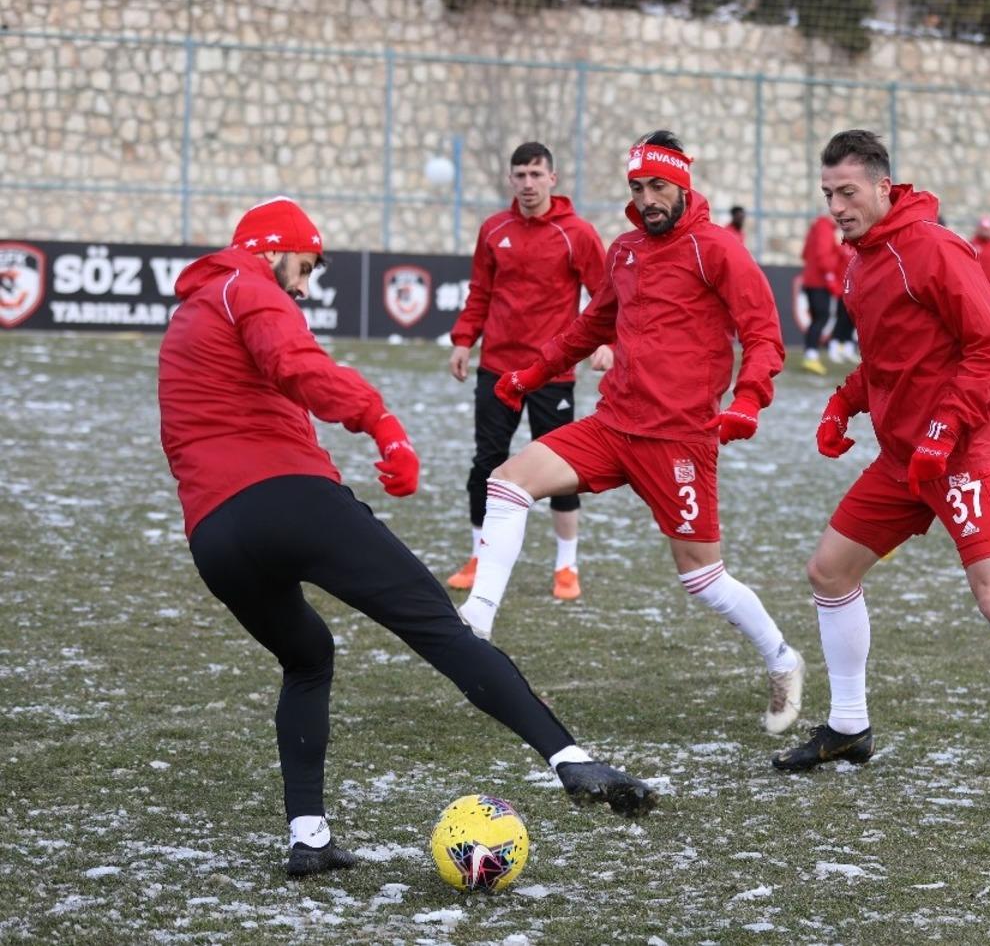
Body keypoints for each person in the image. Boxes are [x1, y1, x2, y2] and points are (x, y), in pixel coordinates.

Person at [158, 197, 657, 878]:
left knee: (307, 654)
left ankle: (308, 836)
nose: (303, 287)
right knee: (443, 631)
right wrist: (381, 422)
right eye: (303, 267)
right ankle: (571, 760)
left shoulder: (190, 311)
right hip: (289, 500)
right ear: (274, 249)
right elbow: (296, 365)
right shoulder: (247, 283)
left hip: (214, 536)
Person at [773, 131, 990, 825]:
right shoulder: (863, 260)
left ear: (881, 185)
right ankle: (849, 724)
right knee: (829, 570)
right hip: (905, 454)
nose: (836, 207)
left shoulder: (931, 246)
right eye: (827, 195)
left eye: (846, 192)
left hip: (962, 450)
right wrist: (846, 401)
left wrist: (940, 431)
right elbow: (892, 359)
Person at [457, 130, 805, 736]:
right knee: (507, 482)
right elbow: (589, 327)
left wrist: (749, 399)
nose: (647, 199)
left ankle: (782, 658)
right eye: (638, 187)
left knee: (703, 579)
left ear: (682, 185)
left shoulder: (716, 250)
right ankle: (477, 622)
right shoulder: (624, 251)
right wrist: (530, 373)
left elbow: (763, 336)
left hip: (679, 440)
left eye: (658, 186)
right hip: (613, 425)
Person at [448, 142, 609, 602]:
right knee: (486, 463)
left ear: (552, 179)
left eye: (536, 174)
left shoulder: (576, 233)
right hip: (497, 368)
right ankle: (480, 555)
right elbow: (480, 290)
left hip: (552, 373)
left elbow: (603, 297)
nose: (528, 184)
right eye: (520, 175)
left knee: (562, 469)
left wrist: (608, 341)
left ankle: (566, 566)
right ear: (510, 180)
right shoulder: (493, 229)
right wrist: (464, 340)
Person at [799, 213, 841, 375]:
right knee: (821, 318)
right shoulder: (824, 227)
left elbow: (804, 254)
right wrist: (830, 273)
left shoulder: (816, 227)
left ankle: (810, 355)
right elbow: (823, 256)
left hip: (811, 280)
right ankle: (811, 355)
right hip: (819, 281)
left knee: (817, 318)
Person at [827, 229, 858, 364]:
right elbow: (833, 267)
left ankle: (848, 349)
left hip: (856, 291)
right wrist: (834, 286)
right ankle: (834, 347)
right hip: (842, 290)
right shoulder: (841, 248)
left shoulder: (859, 247)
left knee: (853, 320)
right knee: (842, 319)